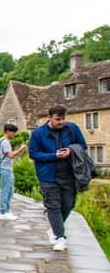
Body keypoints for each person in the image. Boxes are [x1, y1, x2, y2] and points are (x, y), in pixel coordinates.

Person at [29, 105, 87, 252]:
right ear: (49, 117)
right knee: (53, 206)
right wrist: (54, 155)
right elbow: (34, 154)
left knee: (68, 204)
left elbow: (82, 146)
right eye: (57, 119)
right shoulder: (38, 133)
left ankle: (55, 229)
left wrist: (71, 150)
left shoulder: (72, 129)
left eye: (63, 119)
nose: (61, 122)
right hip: (48, 175)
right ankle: (60, 237)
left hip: (69, 174)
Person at [0, 124, 27, 220]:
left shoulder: (2, 140)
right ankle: (3, 211)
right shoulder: (5, 142)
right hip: (5, 168)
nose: (14, 135)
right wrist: (21, 149)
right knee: (6, 191)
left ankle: (7, 210)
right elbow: (10, 155)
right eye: (13, 132)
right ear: (8, 131)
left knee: (10, 190)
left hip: (7, 168)